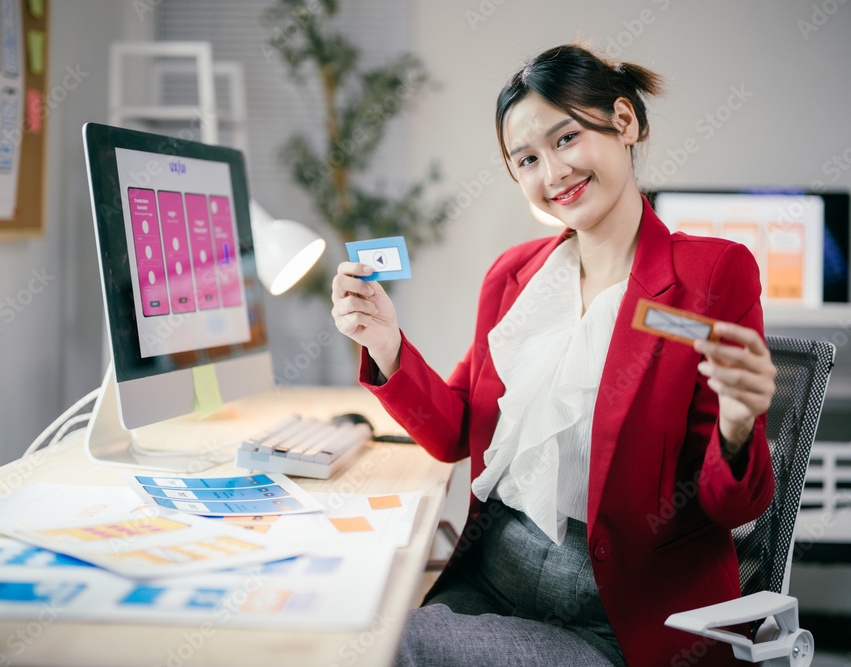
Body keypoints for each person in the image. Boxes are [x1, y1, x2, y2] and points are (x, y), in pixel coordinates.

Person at [331, 43, 777, 667]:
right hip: (489, 589)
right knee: (339, 612)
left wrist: (737, 426)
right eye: (528, 159)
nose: (554, 172)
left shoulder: (710, 274)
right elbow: (458, 429)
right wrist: (386, 345)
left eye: (566, 138)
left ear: (624, 122)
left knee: (378, 646)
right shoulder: (514, 277)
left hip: (618, 624)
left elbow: (736, 506)